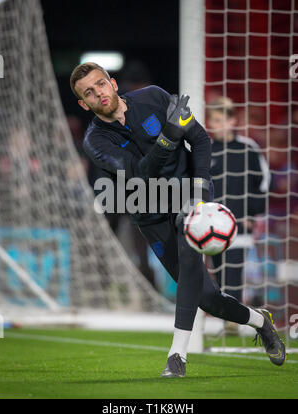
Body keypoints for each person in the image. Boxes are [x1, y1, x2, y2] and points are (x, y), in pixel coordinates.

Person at [69, 62, 286, 377]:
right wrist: (169, 136)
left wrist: (200, 189)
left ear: (113, 84)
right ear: (82, 103)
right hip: (149, 211)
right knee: (208, 300)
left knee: (189, 248)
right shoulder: (96, 141)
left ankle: (177, 357)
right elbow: (141, 175)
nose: (98, 93)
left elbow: (199, 140)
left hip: (188, 196)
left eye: (100, 84)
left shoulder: (154, 98)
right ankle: (260, 321)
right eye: (89, 92)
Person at [207, 97, 271, 315]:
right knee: (220, 275)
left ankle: (233, 319)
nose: (216, 124)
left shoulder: (248, 148)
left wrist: (251, 213)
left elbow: (262, 182)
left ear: (232, 120)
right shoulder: (206, 151)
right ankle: (229, 316)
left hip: (240, 225)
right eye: (213, 120)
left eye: (220, 119)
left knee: (234, 274)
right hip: (212, 225)